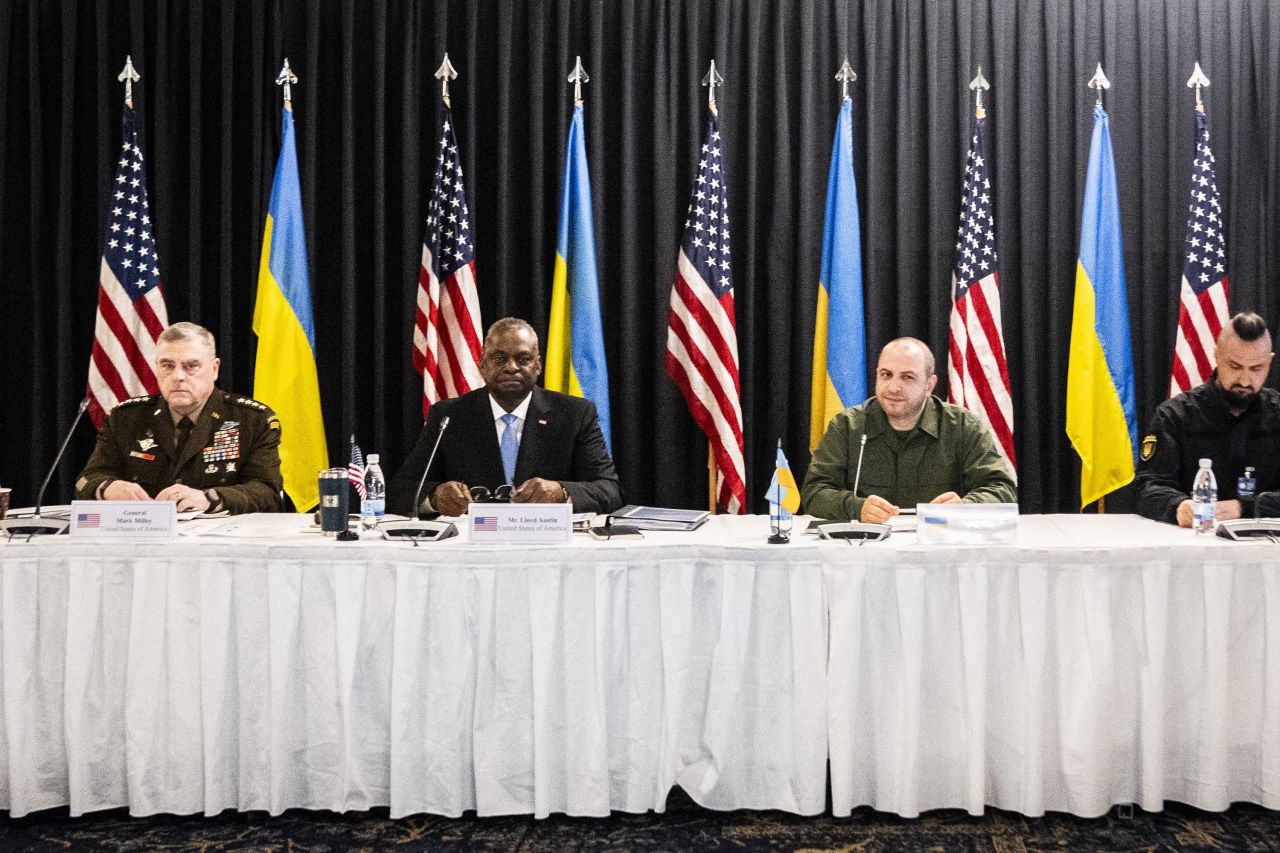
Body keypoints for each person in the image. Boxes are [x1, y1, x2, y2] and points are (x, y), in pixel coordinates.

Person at [389, 317, 623, 517]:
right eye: (499, 359)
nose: (511, 368)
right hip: (473, 552)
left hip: (548, 549)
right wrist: (435, 497)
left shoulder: (574, 414)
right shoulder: (449, 415)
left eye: (523, 359)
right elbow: (400, 490)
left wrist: (561, 492)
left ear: (538, 366)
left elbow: (610, 491)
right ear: (483, 365)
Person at [75, 322, 283, 514]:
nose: (178, 376)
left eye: (191, 366)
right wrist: (107, 488)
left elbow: (267, 490)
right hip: (143, 538)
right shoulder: (125, 419)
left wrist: (210, 498)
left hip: (222, 543)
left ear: (214, 369)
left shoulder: (252, 420)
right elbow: (86, 480)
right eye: (167, 366)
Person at [802, 337, 1016, 522]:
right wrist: (856, 507)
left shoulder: (962, 426)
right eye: (886, 374)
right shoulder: (847, 426)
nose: (893, 387)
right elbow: (814, 492)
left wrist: (964, 506)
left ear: (929, 385)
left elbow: (1002, 489)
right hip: (867, 553)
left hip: (939, 552)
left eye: (907, 377)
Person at [1136, 311, 1280, 525]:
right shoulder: (1175, 416)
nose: (1245, 380)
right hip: (1190, 547)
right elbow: (1147, 488)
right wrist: (1178, 506)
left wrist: (1246, 507)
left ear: (1269, 362)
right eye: (1235, 366)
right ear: (1217, 355)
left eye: (1256, 369)